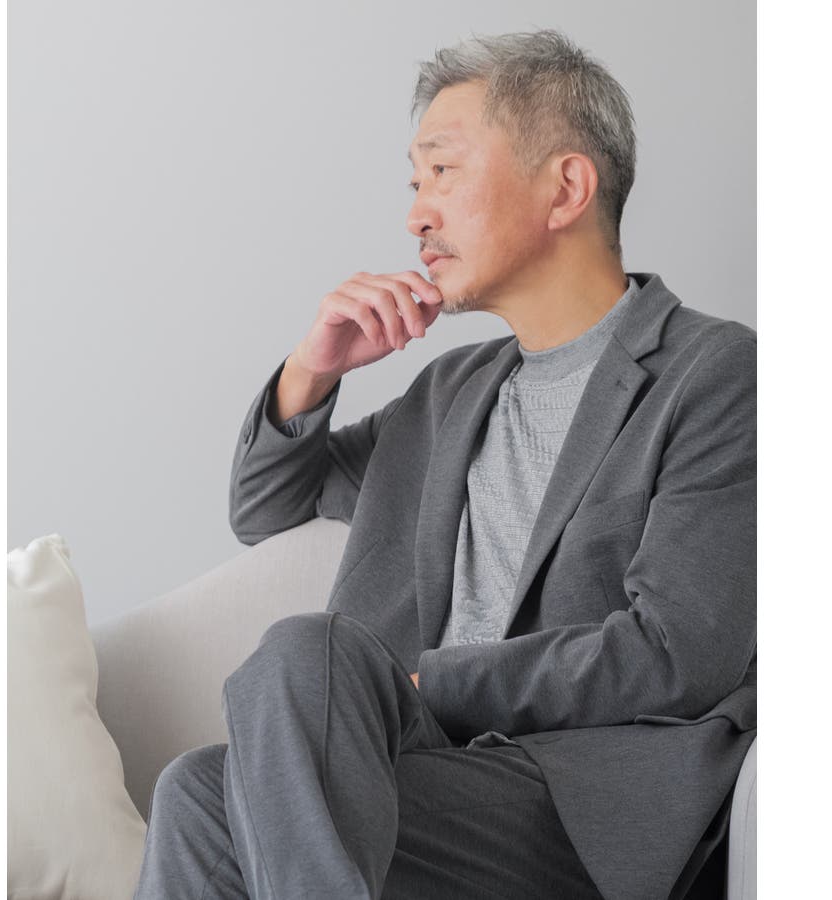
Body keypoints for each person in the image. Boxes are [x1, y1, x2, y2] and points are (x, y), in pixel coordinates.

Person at [134, 29, 756, 900]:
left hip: (574, 803)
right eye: (415, 182)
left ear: (566, 188)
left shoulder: (715, 374)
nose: (417, 215)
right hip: (417, 773)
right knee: (197, 788)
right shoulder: (448, 394)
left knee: (301, 660)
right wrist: (314, 366)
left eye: (443, 171)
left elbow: (678, 653)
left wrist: (434, 682)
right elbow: (267, 505)